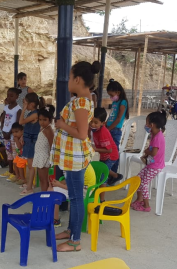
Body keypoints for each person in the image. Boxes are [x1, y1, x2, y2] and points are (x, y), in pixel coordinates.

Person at [51, 60, 100, 252]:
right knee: (74, 196)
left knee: (76, 198)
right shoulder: (83, 99)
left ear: (78, 80)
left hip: (75, 157)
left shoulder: (81, 102)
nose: (68, 81)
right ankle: (71, 230)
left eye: (70, 77)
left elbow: (81, 133)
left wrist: (62, 125)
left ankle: (75, 241)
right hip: (72, 156)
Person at [131, 110, 167, 212]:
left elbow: (154, 152)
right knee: (138, 178)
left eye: (146, 123)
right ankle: (139, 199)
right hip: (151, 164)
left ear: (151, 124)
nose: (145, 125)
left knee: (143, 183)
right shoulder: (154, 133)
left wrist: (147, 151)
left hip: (155, 166)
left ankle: (146, 206)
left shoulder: (157, 137)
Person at [90, 107, 122, 202]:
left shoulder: (103, 132)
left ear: (103, 123)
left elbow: (109, 150)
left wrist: (95, 149)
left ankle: (102, 199)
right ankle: (116, 176)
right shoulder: (95, 129)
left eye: (95, 123)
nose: (92, 124)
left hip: (110, 156)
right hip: (104, 155)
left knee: (102, 177)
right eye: (91, 121)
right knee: (103, 169)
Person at [19, 93, 43, 196]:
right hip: (29, 141)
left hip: (33, 142)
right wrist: (22, 136)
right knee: (30, 165)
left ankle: (29, 187)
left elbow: (21, 122)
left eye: (25, 103)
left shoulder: (35, 114)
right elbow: (26, 126)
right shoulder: (31, 113)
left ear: (32, 104)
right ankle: (30, 184)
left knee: (31, 165)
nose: (24, 105)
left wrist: (23, 109)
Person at [105, 79, 129, 185]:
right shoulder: (115, 102)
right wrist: (105, 124)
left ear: (118, 92)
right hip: (110, 128)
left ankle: (113, 175)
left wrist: (109, 129)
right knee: (108, 151)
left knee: (114, 153)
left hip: (115, 131)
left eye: (111, 94)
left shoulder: (122, 102)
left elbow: (118, 118)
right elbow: (112, 116)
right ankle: (109, 174)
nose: (111, 97)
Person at [0, 88, 22, 181]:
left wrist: (10, 133)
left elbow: (17, 123)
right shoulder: (6, 107)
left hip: (13, 136)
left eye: (12, 96)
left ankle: (16, 173)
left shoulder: (18, 109)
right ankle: (10, 171)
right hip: (6, 135)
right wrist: (4, 131)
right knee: (9, 154)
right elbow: (3, 120)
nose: (9, 98)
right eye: (8, 95)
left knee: (15, 155)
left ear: (17, 97)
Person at [32, 105, 55, 192]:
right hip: (39, 155)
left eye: (45, 120)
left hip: (44, 157)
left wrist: (51, 159)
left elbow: (51, 144)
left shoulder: (48, 130)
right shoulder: (43, 128)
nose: (42, 122)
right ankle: (43, 194)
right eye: (40, 120)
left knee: (44, 179)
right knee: (41, 178)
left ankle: (45, 196)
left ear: (50, 120)